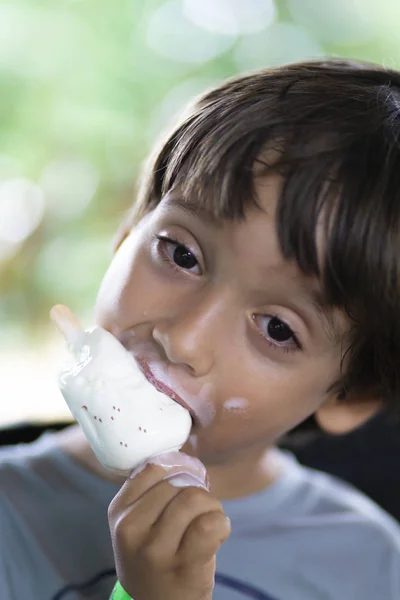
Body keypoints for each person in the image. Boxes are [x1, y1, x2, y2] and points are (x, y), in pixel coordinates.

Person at [2, 58, 400, 600]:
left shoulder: (367, 564)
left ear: (352, 394)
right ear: (125, 238)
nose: (185, 338)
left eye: (278, 329)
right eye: (181, 254)